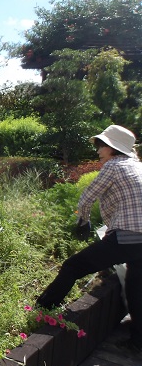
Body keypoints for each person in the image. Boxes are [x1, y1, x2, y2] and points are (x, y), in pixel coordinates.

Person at [35, 125, 142, 353]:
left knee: (73, 266)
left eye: (101, 146)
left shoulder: (114, 166)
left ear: (113, 148)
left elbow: (86, 198)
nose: (98, 151)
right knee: (135, 287)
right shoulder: (137, 166)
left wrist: (83, 222)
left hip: (128, 237)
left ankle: (41, 309)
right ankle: (138, 341)